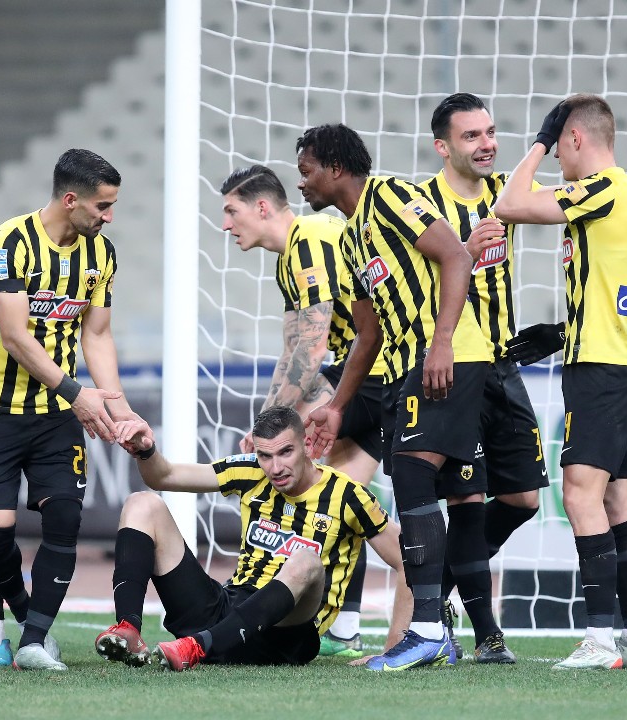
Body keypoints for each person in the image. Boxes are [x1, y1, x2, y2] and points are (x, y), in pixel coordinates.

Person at [297, 123, 493, 671]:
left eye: (307, 171)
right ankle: (439, 632)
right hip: (408, 366)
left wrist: (443, 341)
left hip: (450, 355)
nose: (302, 183)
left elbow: (456, 257)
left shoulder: (389, 195)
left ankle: (427, 630)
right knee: (436, 487)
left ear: (336, 168)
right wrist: (337, 407)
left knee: (412, 473)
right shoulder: (349, 238)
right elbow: (368, 334)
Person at [494, 94, 627, 670]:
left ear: (575, 140)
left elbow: (509, 203)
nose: (558, 159)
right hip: (622, 358)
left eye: (560, 146)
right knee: (617, 498)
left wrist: (537, 143)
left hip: (601, 368)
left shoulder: (603, 188)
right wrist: (562, 332)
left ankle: (599, 640)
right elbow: (615, 291)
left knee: (581, 495)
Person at [0, 148, 136, 671]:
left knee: (64, 516)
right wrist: (78, 394)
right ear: (71, 199)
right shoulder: (7, 243)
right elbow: (15, 336)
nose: (109, 216)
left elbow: (97, 335)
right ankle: (25, 615)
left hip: (56, 414)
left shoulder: (101, 254)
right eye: (103, 206)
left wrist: (119, 408)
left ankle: (34, 640)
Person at [95, 406, 411, 671]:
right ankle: (128, 629)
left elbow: (408, 559)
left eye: (286, 452)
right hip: (226, 612)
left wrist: (392, 650)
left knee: (306, 560)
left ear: (307, 446)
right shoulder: (250, 471)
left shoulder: (348, 495)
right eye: (265, 455)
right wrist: (146, 450)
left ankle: (198, 646)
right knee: (142, 504)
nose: (276, 467)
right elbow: (163, 476)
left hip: (285, 636)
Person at [217, 165, 385, 658]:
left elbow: (312, 349)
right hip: (367, 375)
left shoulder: (309, 237)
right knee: (343, 501)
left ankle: (427, 610)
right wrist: (266, 419)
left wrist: (265, 432)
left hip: (376, 373)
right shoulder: (292, 254)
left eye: (232, 211)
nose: (226, 225)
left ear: (261, 207)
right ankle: (345, 629)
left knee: (308, 480)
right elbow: (293, 350)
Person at [418, 92, 553, 664]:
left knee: (522, 498)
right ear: (442, 146)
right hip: (455, 367)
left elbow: (567, 207)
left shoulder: (505, 194)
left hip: (503, 364)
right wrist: (465, 252)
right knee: (467, 498)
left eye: (491, 132)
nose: (486, 144)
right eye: (471, 136)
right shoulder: (423, 203)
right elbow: (417, 286)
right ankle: (487, 636)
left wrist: (546, 140)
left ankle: (436, 596)